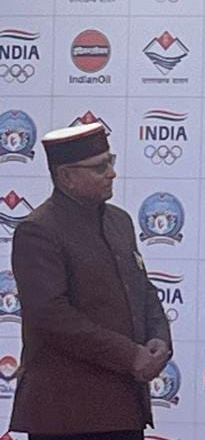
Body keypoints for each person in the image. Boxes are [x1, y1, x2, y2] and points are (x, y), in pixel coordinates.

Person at [9, 122, 172, 440]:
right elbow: (51, 317)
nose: (111, 173)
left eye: (110, 161)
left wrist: (159, 340)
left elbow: (142, 288)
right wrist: (130, 355)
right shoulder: (38, 230)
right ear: (66, 176)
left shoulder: (119, 221)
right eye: (99, 167)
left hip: (124, 407)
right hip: (66, 413)